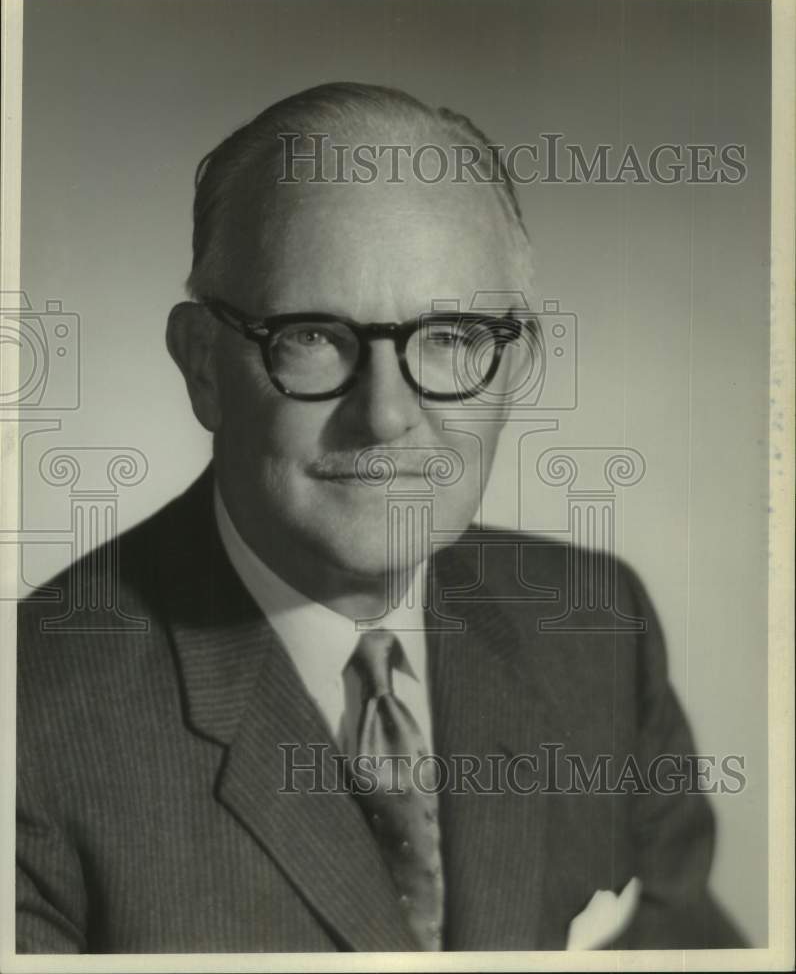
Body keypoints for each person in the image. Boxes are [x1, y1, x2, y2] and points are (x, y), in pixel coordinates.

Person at [16, 82, 744, 953]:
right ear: (204, 367)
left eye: (452, 337)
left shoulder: (598, 632)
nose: (388, 415)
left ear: (515, 366)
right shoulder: (28, 734)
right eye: (315, 335)